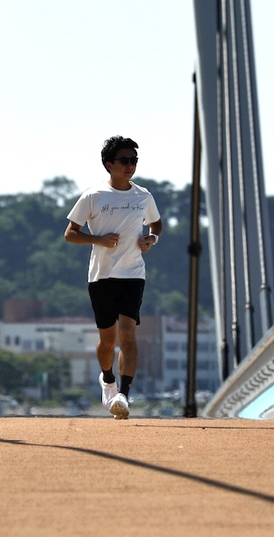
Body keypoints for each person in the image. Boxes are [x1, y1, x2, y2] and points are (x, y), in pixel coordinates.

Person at [65, 136, 163, 419]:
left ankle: (124, 395)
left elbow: (156, 223)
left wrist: (152, 239)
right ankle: (108, 379)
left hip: (133, 274)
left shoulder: (143, 196)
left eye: (134, 160)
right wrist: (98, 239)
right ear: (109, 164)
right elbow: (70, 233)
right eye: (124, 160)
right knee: (108, 341)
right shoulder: (93, 196)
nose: (130, 165)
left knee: (128, 336)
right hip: (102, 276)